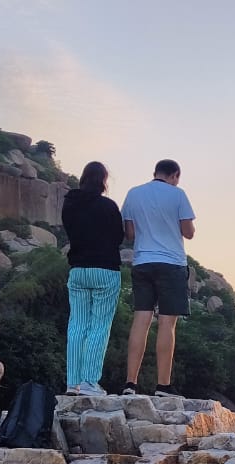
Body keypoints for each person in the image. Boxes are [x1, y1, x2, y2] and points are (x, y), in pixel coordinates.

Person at [120, 159, 195, 398]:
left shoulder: (134, 193)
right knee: (166, 324)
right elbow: (189, 232)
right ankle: (163, 386)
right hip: (171, 263)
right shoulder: (178, 194)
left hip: (142, 261)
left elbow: (129, 233)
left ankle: (130, 384)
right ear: (174, 175)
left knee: (140, 320)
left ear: (155, 173)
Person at [62, 161, 124, 396]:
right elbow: (118, 237)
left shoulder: (69, 203)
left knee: (76, 324)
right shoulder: (107, 205)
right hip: (105, 269)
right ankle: (89, 382)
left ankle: (72, 383)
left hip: (77, 269)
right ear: (103, 181)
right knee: (100, 326)